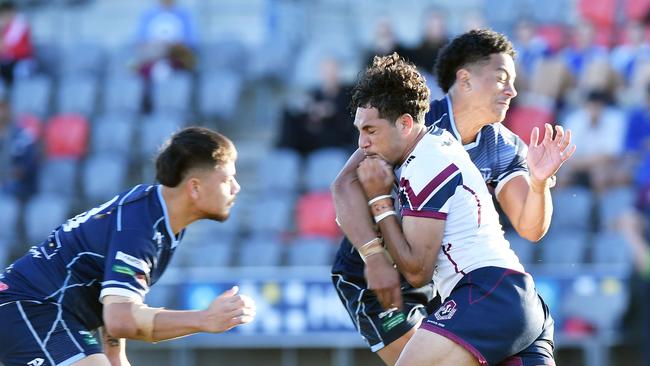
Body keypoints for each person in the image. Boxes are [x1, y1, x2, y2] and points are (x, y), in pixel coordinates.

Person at [331, 29, 574, 365]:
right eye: (502, 78)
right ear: (465, 80)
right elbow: (344, 186)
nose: (513, 90)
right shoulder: (414, 122)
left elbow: (531, 229)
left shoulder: (501, 145)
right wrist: (373, 256)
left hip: (449, 279)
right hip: (378, 274)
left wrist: (538, 183)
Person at [0, 127, 256, 366]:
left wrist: (116, 355)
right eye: (228, 179)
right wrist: (203, 319)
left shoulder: (156, 214)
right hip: (31, 309)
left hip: (44, 314)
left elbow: (115, 296)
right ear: (195, 187)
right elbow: (121, 318)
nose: (237, 187)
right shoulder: (140, 226)